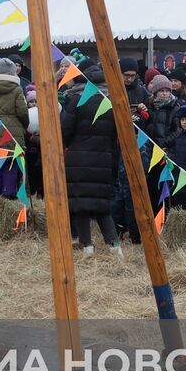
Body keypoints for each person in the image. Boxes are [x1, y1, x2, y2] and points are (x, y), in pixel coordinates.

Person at [60, 66, 120, 254]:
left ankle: (87, 246)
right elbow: (115, 134)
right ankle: (115, 246)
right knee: (102, 205)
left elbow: (65, 131)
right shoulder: (111, 103)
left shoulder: (77, 101)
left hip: (78, 158)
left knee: (80, 204)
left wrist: (74, 144)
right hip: (103, 159)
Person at [0, 57, 28, 200]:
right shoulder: (17, 90)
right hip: (12, 132)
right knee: (10, 161)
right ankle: (8, 193)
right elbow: (22, 112)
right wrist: (24, 125)